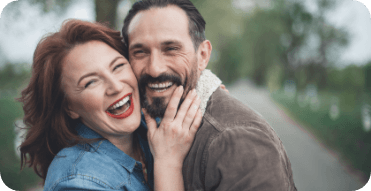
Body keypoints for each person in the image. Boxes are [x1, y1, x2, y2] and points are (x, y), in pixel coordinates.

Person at [121, 0, 297, 190]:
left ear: (203, 56)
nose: (154, 69)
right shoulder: (142, 122)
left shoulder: (237, 142)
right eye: (140, 52)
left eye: (171, 49)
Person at [18, 19, 203, 190]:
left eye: (118, 66)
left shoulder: (151, 122)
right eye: (90, 82)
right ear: (69, 107)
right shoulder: (76, 181)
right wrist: (168, 163)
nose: (116, 86)